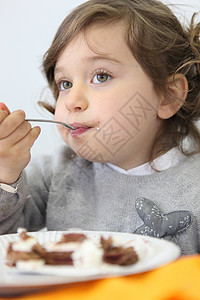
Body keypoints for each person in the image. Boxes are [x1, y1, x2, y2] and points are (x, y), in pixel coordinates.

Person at [0, 0, 200, 255]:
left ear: (168, 96)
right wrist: (5, 174)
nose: (72, 101)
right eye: (65, 83)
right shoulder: (54, 175)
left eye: (101, 76)